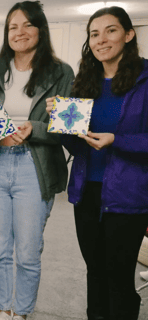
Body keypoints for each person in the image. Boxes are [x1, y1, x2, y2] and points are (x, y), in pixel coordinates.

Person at [46, 6, 148, 320]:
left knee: (118, 275)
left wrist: (116, 140)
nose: (101, 39)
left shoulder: (145, 79)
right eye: (94, 33)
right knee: (95, 270)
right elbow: (79, 145)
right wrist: (62, 125)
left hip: (129, 193)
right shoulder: (85, 82)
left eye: (111, 30)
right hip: (87, 190)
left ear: (129, 35)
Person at [0, 2, 74, 319]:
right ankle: (4, 308)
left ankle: (23, 312)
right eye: (12, 26)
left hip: (36, 167)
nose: (19, 32)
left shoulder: (61, 72)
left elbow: (69, 128)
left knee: (29, 251)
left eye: (27, 24)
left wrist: (35, 128)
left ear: (40, 29)